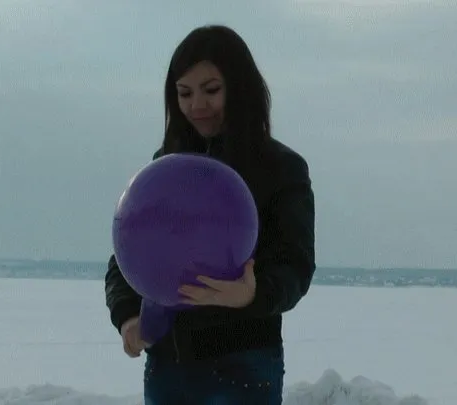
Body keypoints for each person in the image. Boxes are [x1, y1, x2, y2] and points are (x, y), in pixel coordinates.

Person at [104, 24, 316, 405]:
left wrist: (253, 294)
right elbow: (129, 252)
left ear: (241, 88)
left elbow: (295, 265)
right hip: (168, 363)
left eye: (211, 90)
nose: (196, 106)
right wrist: (127, 316)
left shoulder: (281, 168)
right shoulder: (164, 169)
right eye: (184, 93)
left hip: (244, 363)